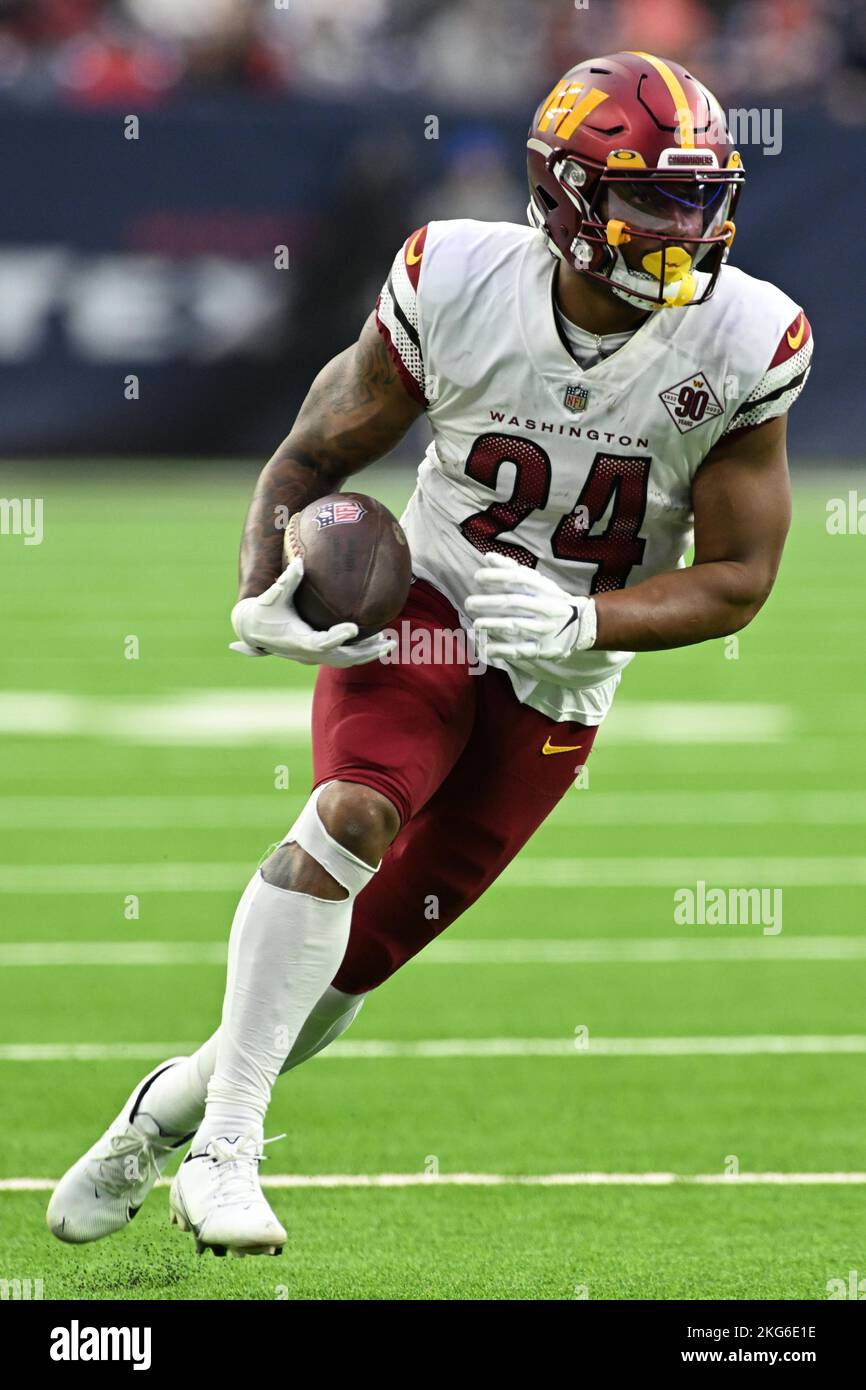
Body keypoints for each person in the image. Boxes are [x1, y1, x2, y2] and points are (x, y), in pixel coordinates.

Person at [48, 51, 812, 1256]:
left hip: (560, 669)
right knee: (351, 814)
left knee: (345, 975)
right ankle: (225, 1150)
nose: (687, 228)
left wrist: (585, 621)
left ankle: (159, 1117)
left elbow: (739, 580)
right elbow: (308, 457)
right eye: (653, 199)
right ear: (565, 199)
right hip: (431, 605)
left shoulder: (743, 339)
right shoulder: (454, 279)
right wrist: (262, 589)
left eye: (700, 196)